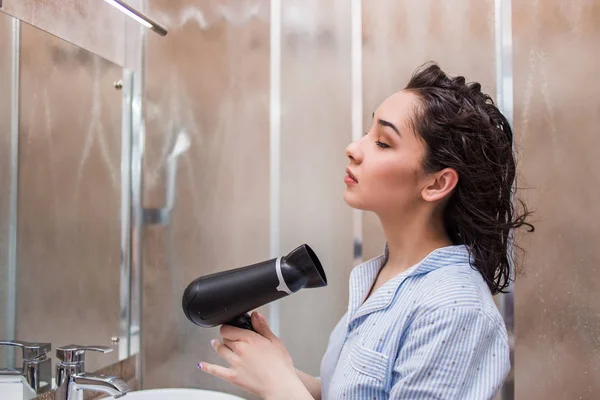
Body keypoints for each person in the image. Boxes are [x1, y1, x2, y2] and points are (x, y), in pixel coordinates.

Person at [197, 62, 534, 399]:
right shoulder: (381, 277)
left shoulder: (455, 310)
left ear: (437, 183)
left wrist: (278, 386)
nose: (353, 148)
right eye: (369, 133)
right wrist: (277, 370)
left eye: (383, 142)